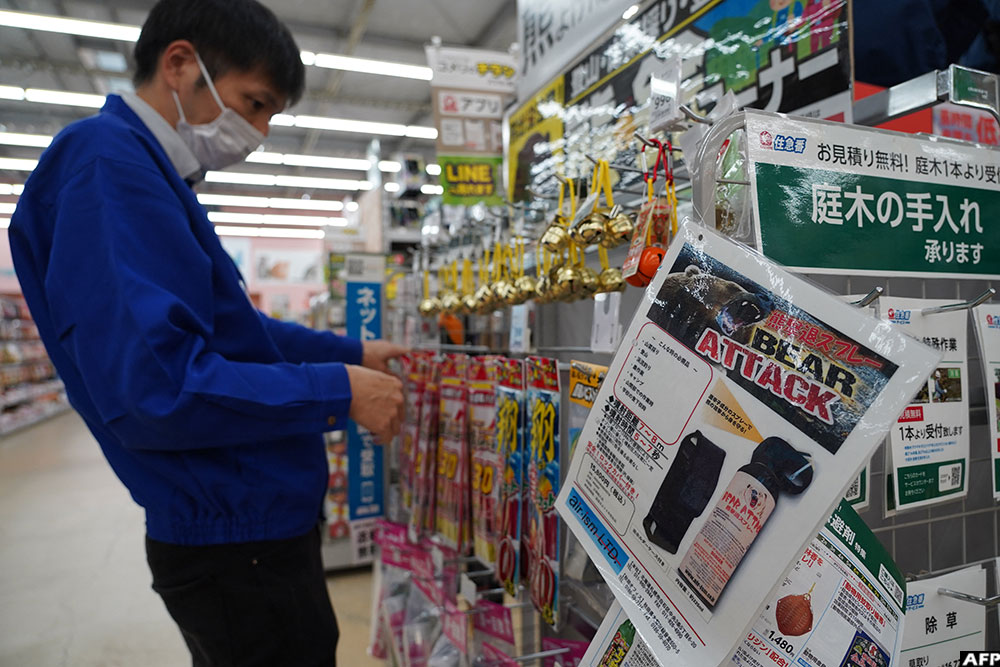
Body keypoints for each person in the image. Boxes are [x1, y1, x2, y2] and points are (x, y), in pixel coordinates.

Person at [8, 0, 406, 664]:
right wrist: (339, 390)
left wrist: (352, 353)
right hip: (235, 545)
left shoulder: (154, 176)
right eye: (254, 104)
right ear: (180, 64)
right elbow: (159, 389)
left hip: (247, 531)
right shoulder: (107, 164)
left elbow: (237, 334)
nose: (259, 132)